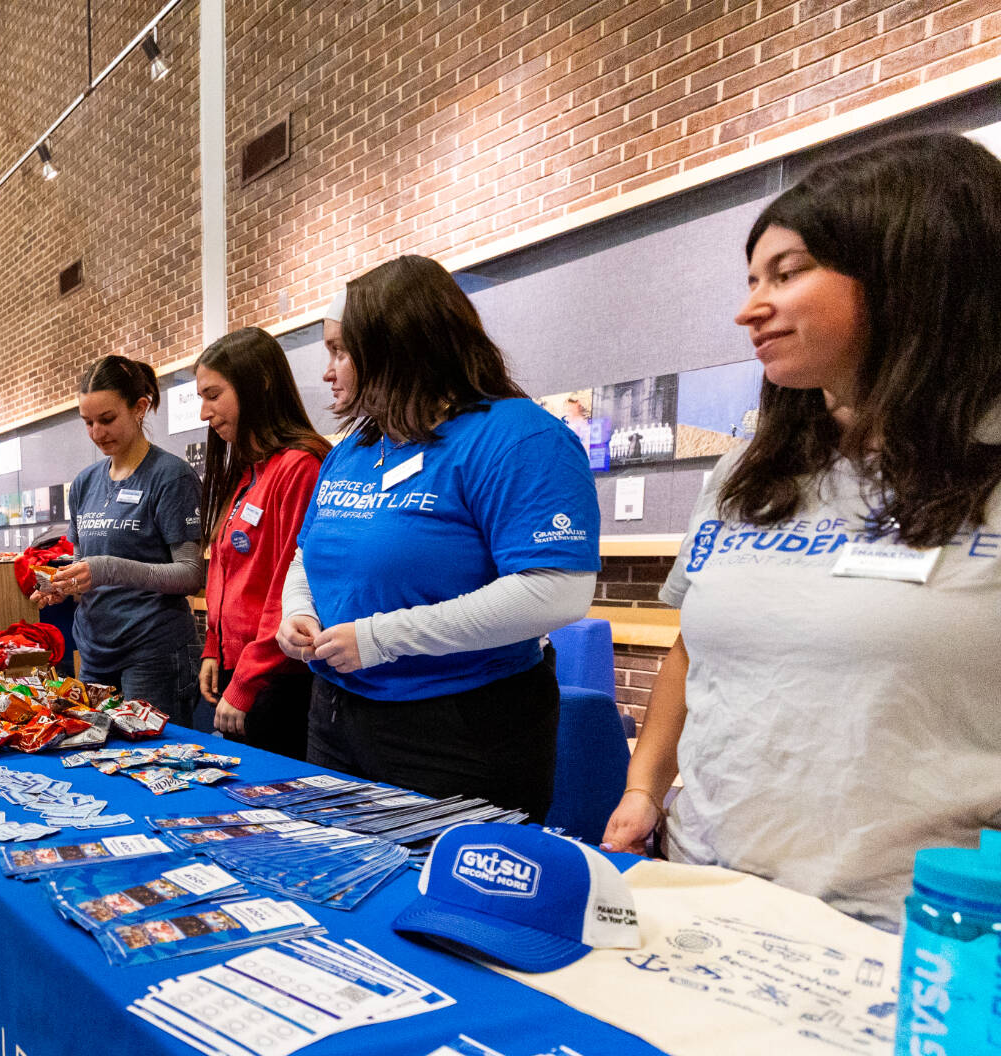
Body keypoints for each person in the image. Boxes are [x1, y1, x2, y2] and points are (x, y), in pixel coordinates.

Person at [602, 133, 1001, 925]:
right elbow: (694, 643)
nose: (750, 308)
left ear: (911, 275)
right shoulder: (749, 472)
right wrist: (645, 786)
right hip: (701, 896)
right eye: (753, 279)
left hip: (914, 936)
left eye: (787, 275)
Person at [278, 256, 600, 820]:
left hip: (460, 731)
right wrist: (298, 611)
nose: (328, 371)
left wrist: (381, 638)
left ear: (397, 346)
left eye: (341, 351)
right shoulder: (355, 449)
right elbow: (310, 555)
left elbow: (555, 592)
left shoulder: (519, 438)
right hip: (337, 715)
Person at [32, 355, 204, 723]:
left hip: (153, 649)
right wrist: (62, 585)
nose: (96, 433)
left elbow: (190, 574)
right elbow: (84, 565)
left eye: (107, 420)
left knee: (154, 761)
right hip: (94, 649)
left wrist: (109, 569)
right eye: (88, 422)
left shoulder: (171, 477)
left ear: (140, 408)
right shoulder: (85, 483)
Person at [191, 328, 330, 756]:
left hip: (279, 678)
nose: (203, 412)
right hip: (239, 667)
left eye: (213, 395)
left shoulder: (299, 467)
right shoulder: (250, 472)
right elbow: (226, 569)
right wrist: (214, 646)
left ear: (259, 384)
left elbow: (287, 586)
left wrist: (249, 678)